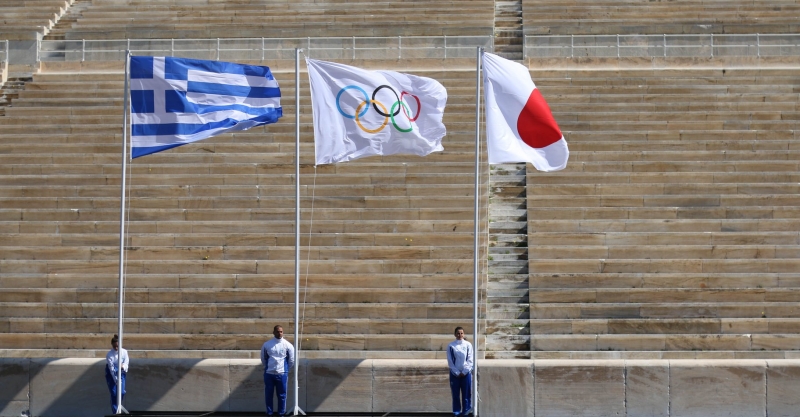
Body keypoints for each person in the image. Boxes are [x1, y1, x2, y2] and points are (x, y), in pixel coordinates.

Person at [260, 325, 295, 416]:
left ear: (283, 332)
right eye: (278, 331)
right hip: (269, 373)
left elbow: (291, 360)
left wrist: (285, 370)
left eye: (281, 331)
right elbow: (263, 358)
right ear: (274, 332)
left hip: (282, 373)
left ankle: (281, 412)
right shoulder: (267, 344)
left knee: (282, 395)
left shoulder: (288, 345)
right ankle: (269, 412)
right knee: (268, 394)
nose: (279, 333)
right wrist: (268, 367)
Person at [447, 326, 473, 416]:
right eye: (458, 333)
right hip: (455, 375)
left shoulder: (468, 345)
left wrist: (465, 371)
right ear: (455, 334)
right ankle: (456, 412)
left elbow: (470, 360)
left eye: (461, 333)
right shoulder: (451, 346)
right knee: (456, 395)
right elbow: (450, 361)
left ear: (464, 334)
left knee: (466, 394)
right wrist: (457, 373)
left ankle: (466, 412)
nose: (460, 335)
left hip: (466, 374)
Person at [105, 334, 129, 414]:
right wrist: (116, 380)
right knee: (114, 393)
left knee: (121, 392)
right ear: (112, 345)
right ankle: (115, 412)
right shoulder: (109, 355)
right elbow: (111, 369)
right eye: (114, 346)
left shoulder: (124, 352)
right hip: (112, 374)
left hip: (121, 373)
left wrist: (123, 366)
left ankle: (118, 406)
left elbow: (126, 363)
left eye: (117, 346)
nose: (116, 348)